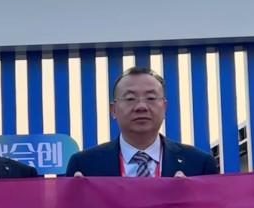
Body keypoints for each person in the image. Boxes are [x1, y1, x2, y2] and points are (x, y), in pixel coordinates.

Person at [64, 67, 219, 178]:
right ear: (113, 110)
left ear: (164, 107)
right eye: (130, 98)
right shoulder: (84, 165)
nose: (141, 107)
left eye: (151, 98)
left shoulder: (199, 164)